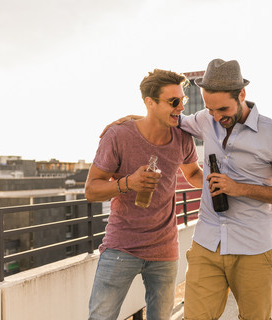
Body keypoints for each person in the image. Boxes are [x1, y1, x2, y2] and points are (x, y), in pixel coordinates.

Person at [102, 59, 272, 319]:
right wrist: (136, 120)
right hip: (207, 245)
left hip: (253, 249)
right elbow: (171, 119)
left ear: (241, 94)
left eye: (223, 109)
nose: (216, 117)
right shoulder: (205, 120)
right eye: (209, 109)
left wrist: (239, 188)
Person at [85, 69, 203, 320]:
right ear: (150, 102)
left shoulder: (182, 137)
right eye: (174, 102)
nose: (181, 106)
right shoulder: (118, 135)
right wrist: (128, 182)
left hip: (165, 249)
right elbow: (91, 189)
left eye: (182, 100)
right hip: (121, 247)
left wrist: (227, 184)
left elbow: (193, 174)